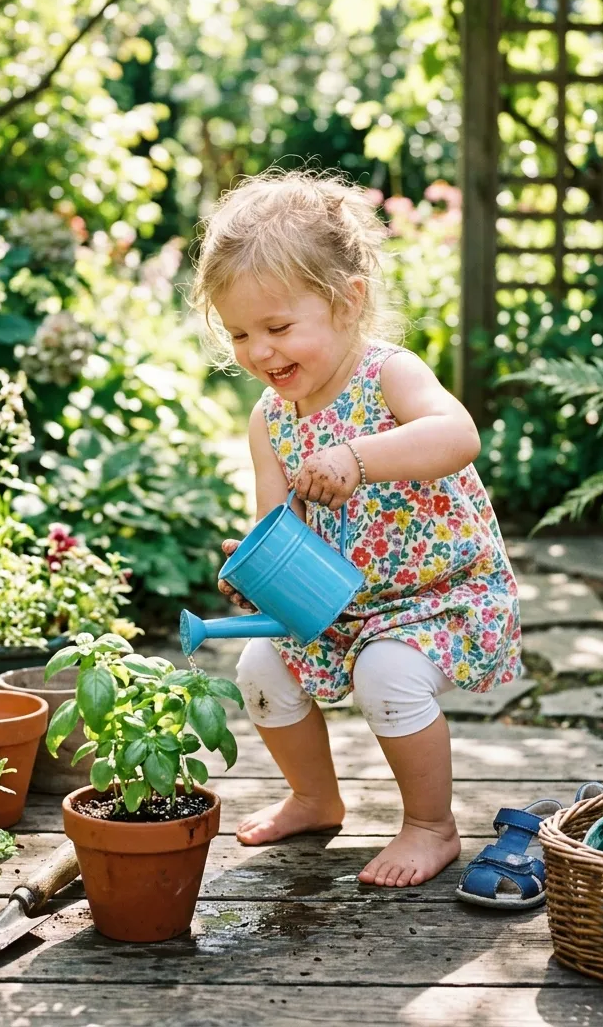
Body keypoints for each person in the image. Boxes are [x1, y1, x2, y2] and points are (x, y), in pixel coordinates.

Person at [190, 168, 521, 889]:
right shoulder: (270, 421)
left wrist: (357, 457)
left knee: (387, 674)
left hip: (439, 596)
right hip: (339, 604)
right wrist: (258, 568)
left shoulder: (389, 376)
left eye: (278, 328)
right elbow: (279, 522)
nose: (259, 352)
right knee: (259, 668)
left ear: (348, 301)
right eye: (241, 333)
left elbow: (458, 435)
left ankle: (432, 825)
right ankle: (316, 797)